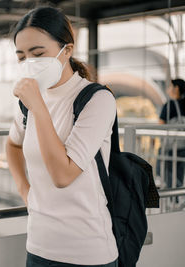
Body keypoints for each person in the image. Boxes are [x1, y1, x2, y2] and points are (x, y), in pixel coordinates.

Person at [6, 7, 118, 267]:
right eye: (21, 56)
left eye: (38, 53)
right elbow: (12, 145)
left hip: (88, 253)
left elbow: (62, 175)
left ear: (66, 50)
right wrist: (26, 192)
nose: (28, 63)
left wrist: (38, 107)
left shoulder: (96, 99)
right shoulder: (29, 102)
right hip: (38, 248)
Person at [157, 79, 185, 188]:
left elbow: (161, 124)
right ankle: (178, 200)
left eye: (170, 86)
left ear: (176, 88)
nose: (168, 89)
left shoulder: (169, 105)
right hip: (183, 146)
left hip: (171, 146)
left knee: (167, 173)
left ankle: (174, 198)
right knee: (179, 174)